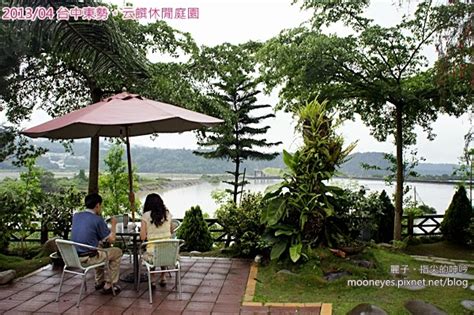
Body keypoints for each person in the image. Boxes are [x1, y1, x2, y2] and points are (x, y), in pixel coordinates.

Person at [71, 193, 123, 294]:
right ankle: (109, 284)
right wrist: (113, 225)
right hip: (88, 257)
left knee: (99, 247)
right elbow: (112, 240)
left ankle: (99, 281)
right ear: (98, 205)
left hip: (74, 256)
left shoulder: (76, 216)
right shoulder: (97, 220)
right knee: (117, 252)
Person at [140, 193, 173, 287]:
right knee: (162, 248)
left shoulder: (146, 216)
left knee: (152, 250)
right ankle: (163, 277)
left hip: (153, 253)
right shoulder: (167, 214)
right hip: (169, 253)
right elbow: (171, 230)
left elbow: (142, 237)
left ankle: (152, 278)